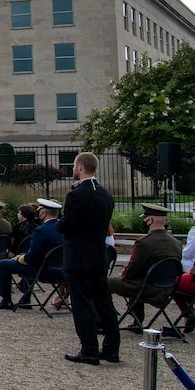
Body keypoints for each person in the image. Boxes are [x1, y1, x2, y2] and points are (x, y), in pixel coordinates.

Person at [59, 152, 119, 365]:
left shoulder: (76, 194)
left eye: (75, 165)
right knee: (104, 302)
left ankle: (89, 349)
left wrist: (59, 223)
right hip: (99, 255)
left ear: (81, 166)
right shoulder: (105, 194)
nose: (74, 169)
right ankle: (112, 348)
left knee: (82, 304)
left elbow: (67, 225)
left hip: (79, 256)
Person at [109, 202, 182, 328]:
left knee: (103, 283)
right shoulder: (176, 243)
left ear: (150, 220)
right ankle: (136, 321)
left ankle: (100, 321)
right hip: (168, 287)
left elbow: (133, 271)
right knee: (138, 280)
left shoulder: (144, 243)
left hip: (148, 288)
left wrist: (124, 273)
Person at [0, 198, 63, 309]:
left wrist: (19, 258)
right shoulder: (64, 230)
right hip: (61, 271)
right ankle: (25, 299)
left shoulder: (41, 231)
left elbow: (31, 257)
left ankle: (6, 300)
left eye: (40, 212)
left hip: (43, 271)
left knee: (3, 264)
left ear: (44, 213)